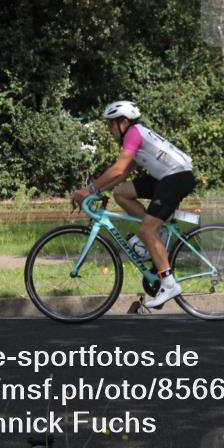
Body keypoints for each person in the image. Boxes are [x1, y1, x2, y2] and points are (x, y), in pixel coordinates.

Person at [70, 100, 196, 307]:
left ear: (123, 122)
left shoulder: (133, 134)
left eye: (110, 125)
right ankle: (158, 235)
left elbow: (118, 169)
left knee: (146, 230)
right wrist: (100, 190)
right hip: (167, 176)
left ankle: (169, 282)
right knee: (122, 193)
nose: (109, 130)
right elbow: (123, 174)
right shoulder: (136, 134)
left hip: (176, 177)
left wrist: (89, 190)